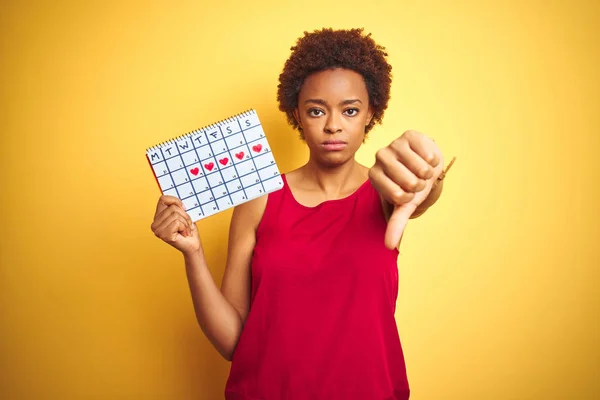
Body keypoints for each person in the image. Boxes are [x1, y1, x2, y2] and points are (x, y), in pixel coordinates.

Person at [151, 27, 452, 400]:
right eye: (316, 110)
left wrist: (429, 176)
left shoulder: (387, 194)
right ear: (296, 113)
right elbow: (233, 343)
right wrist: (193, 253)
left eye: (350, 110)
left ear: (371, 112)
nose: (333, 125)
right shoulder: (260, 199)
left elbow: (419, 194)